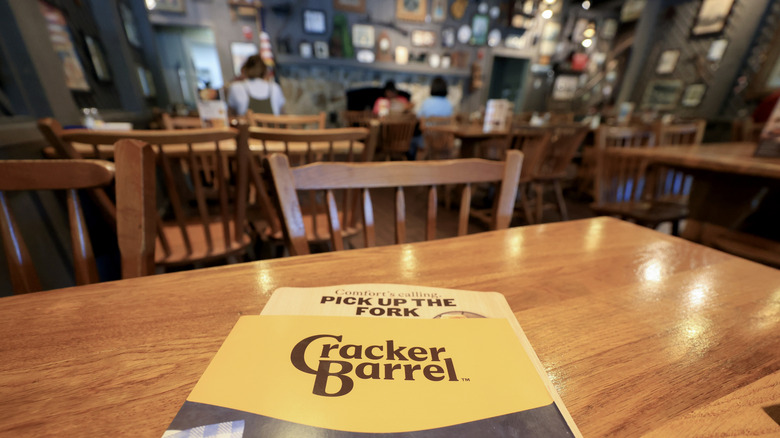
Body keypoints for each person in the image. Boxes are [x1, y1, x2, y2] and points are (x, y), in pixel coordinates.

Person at [408, 76, 453, 159]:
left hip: (427, 140)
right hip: (443, 141)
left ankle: (411, 163)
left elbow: (418, 117)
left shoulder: (427, 102)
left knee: (412, 140)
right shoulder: (448, 103)